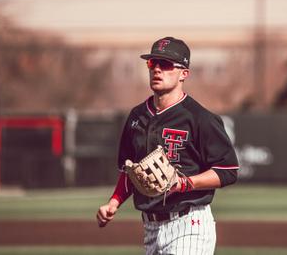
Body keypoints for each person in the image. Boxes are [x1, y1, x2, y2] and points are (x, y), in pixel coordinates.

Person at [96, 36, 239, 255]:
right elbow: (131, 171)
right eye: (153, 63)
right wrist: (114, 202)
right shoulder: (137, 116)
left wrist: (185, 183)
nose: (157, 70)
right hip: (151, 228)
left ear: (184, 73)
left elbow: (228, 170)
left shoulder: (200, 118)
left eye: (166, 64)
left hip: (189, 223)